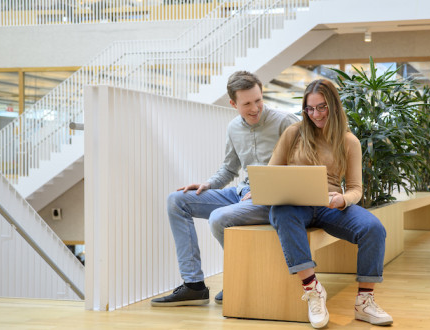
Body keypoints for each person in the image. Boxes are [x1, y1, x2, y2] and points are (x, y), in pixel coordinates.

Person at [151, 71, 298, 307]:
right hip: (242, 193)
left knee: (219, 217)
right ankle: (194, 285)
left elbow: (302, 169)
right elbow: (229, 169)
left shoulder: (286, 122)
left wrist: (268, 190)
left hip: (272, 200)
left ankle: (241, 279)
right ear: (233, 103)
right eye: (247, 103)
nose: (255, 108)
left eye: (258, 100)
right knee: (176, 200)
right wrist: (208, 184)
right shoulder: (233, 128)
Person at [267, 79, 393, 328]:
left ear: (334, 106)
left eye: (321, 107)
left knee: (374, 229)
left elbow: (356, 189)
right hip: (295, 204)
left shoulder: (349, 141)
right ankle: (313, 290)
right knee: (281, 212)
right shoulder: (294, 133)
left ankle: (364, 302)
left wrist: (342, 199)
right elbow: (272, 171)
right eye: (309, 109)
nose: (315, 114)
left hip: (331, 205)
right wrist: (261, 189)